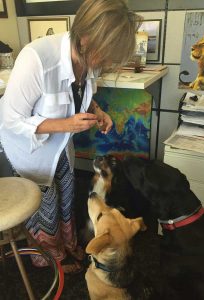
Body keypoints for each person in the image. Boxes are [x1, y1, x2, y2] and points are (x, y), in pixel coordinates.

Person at [0, 0, 142, 273]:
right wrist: (66, 123)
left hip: (60, 144)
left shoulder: (90, 60)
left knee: (67, 195)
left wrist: (98, 111)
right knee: (46, 202)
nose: (109, 63)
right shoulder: (37, 59)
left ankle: (67, 245)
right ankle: (49, 257)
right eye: (108, 55)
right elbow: (10, 121)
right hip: (27, 147)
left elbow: (80, 97)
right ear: (87, 39)